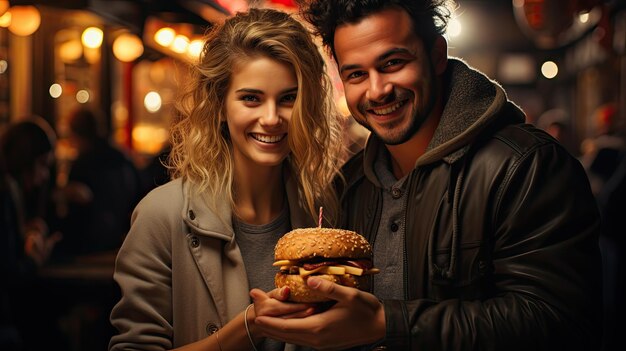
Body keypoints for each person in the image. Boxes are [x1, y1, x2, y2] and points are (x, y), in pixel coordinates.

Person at [251, 1, 603, 350]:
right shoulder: (349, 184)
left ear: (436, 55)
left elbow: (560, 321)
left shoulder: (527, 165)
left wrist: (388, 324)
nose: (377, 91)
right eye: (356, 74)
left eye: (393, 63)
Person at [109, 8, 344, 351]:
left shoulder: (326, 212)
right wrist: (247, 329)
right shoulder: (161, 216)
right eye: (251, 98)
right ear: (219, 104)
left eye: (288, 99)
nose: (271, 118)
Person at [1, 117, 64, 350]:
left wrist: (23, 233)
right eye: (42, 164)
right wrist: (35, 259)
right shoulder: (7, 191)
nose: (45, 175)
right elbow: (9, 274)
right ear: (24, 159)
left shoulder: (10, 188)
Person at [57, 107, 141, 256]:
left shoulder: (82, 164)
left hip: (91, 243)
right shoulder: (122, 158)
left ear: (76, 134)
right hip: (123, 238)